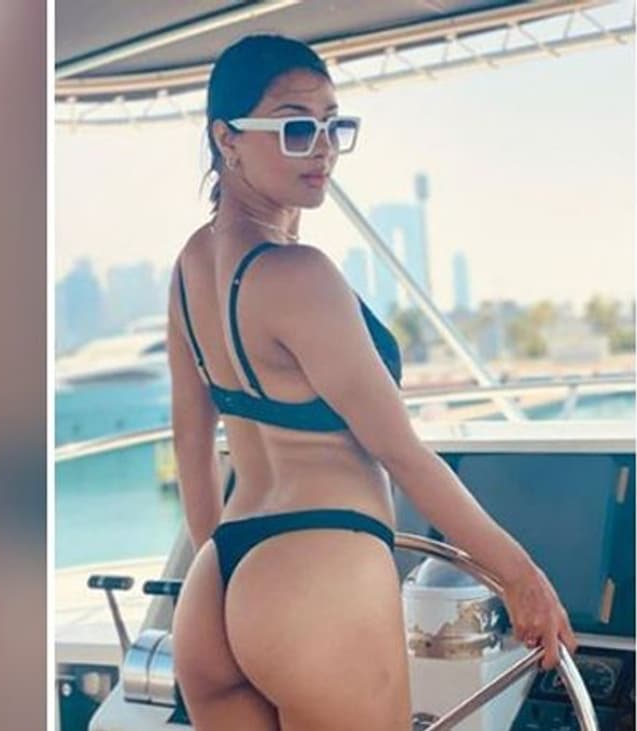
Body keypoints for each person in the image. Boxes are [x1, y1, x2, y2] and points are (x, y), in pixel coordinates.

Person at [168, 34, 576, 731]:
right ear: (226, 138)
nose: (322, 148)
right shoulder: (300, 275)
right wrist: (520, 576)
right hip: (317, 575)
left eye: (333, 126)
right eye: (296, 128)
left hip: (216, 586)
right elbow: (401, 453)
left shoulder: (190, 266)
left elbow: (190, 444)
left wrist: (237, 584)